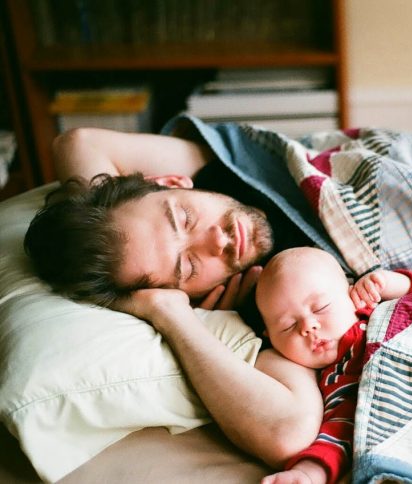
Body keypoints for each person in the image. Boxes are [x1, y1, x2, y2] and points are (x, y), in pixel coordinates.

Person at [23, 125, 336, 469]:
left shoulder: (220, 173)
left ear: (173, 182)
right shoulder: (261, 316)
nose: (218, 241)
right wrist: (170, 315)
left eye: (185, 219)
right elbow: (286, 433)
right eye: (187, 266)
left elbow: (77, 142)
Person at [255, 247, 412, 484]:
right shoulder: (330, 385)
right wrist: (306, 474)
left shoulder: (378, 314)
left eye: (321, 308)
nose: (308, 326)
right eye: (288, 326)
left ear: (350, 293)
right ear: (270, 338)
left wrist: (386, 283)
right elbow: (339, 434)